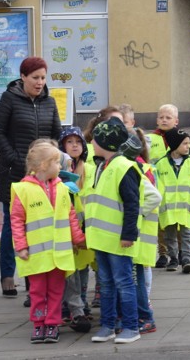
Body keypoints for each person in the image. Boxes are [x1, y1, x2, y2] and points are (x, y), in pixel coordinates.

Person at [0, 56, 62, 303]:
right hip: (14, 174)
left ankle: (34, 283)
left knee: (38, 227)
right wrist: (14, 159)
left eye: (43, 78)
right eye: (35, 78)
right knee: (13, 225)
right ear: (23, 77)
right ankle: (7, 277)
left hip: (42, 174)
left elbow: (56, 134)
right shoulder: (9, 100)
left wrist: (51, 161)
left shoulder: (49, 103)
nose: (40, 82)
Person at [10, 141, 86, 343]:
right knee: (37, 292)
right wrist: (21, 246)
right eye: (56, 163)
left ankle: (52, 323)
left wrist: (78, 239)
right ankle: (38, 324)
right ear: (44, 165)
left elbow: (70, 215)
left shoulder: (62, 188)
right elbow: (16, 220)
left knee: (55, 290)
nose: (60, 167)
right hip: (35, 255)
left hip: (58, 254)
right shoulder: (22, 189)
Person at [86, 117, 142, 344]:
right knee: (106, 284)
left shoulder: (124, 167)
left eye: (95, 140)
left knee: (124, 283)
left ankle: (130, 326)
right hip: (102, 239)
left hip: (119, 239)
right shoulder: (102, 165)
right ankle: (107, 326)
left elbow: (132, 203)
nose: (91, 144)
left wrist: (129, 234)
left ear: (106, 143)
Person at [118, 131, 161, 334]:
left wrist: (136, 214)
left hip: (138, 236)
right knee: (135, 279)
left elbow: (154, 197)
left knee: (137, 280)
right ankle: (139, 315)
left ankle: (145, 316)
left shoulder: (134, 169)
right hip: (133, 235)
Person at [57, 126, 95, 332]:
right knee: (69, 270)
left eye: (78, 142)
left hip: (84, 225)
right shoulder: (60, 170)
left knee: (83, 267)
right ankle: (72, 307)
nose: (74, 145)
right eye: (69, 142)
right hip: (66, 227)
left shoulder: (88, 170)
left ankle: (81, 302)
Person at [156, 128, 190, 274]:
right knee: (169, 236)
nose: (188, 146)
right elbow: (157, 185)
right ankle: (173, 258)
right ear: (175, 145)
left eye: (189, 143)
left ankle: (186, 258)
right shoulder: (160, 164)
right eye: (185, 144)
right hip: (167, 208)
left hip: (185, 207)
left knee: (187, 234)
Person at [146, 104, 180, 269]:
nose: (164, 120)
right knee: (160, 224)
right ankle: (163, 253)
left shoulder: (181, 138)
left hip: (177, 190)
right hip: (158, 186)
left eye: (168, 117)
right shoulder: (151, 138)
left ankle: (180, 252)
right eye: (161, 117)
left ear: (176, 121)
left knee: (178, 223)